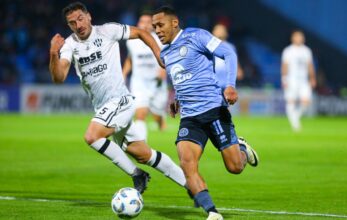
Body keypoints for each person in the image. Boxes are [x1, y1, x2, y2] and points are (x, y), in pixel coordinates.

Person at [49, 2, 186, 194]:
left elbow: (142, 33)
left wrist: (157, 54)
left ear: (89, 17)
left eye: (80, 19)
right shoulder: (70, 45)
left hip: (120, 100)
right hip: (104, 107)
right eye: (72, 23)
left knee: (92, 136)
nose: (78, 25)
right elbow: (59, 78)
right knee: (143, 154)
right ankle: (191, 185)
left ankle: (137, 174)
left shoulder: (107, 31)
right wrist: (54, 53)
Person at [152, 6, 259, 220]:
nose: (157, 30)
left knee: (235, 167)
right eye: (154, 27)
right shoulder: (165, 53)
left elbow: (228, 53)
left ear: (175, 23)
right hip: (190, 118)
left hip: (214, 110)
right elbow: (180, 77)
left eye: (160, 25)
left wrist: (229, 85)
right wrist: (176, 99)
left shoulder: (196, 35)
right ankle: (212, 212)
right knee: (186, 163)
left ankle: (241, 147)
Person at [122, 13, 168, 141]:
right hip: (139, 82)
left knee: (157, 113)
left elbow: (167, 59)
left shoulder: (160, 39)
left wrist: (163, 72)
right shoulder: (131, 41)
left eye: (149, 22)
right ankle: (142, 144)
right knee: (140, 113)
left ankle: (160, 119)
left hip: (157, 83)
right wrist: (124, 73)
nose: (145, 24)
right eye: (143, 21)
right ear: (138, 24)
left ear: (153, 25)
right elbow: (130, 59)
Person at [281, 30, 316, 132]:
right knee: (291, 101)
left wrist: (313, 78)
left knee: (306, 101)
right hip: (291, 79)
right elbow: (284, 65)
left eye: (301, 37)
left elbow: (310, 65)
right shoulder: (288, 51)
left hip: (304, 80)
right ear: (292, 38)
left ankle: (295, 116)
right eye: (297, 37)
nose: (299, 39)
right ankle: (295, 125)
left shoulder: (307, 51)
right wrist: (284, 78)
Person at [212, 23, 244, 89]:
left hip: (225, 84)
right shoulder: (210, 46)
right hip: (213, 82)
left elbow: (234, 61)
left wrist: (238, 70)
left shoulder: (230, 46)